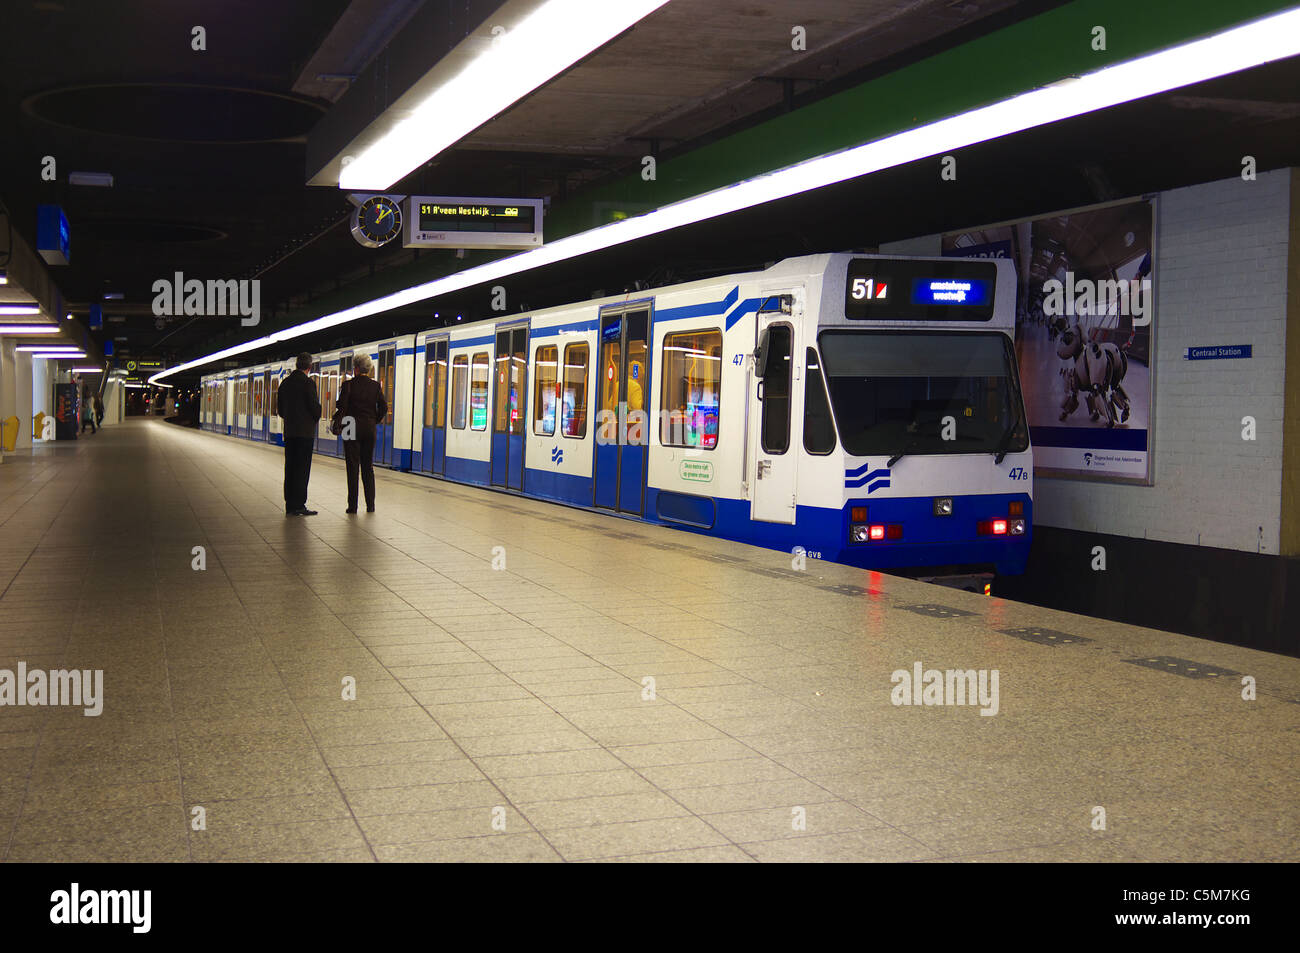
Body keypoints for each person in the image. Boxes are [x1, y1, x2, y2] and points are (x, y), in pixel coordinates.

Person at [337, 352, 388, 514]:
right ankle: (370, 505)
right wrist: (375, 419)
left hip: (350, 426)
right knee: (368, 467)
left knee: (352, 467)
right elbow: (384, 407)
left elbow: (341, 406)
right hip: (368, 427)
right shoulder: (375, 386)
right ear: (369, 369)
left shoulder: (348, 385)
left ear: (356, 368)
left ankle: (352, 506)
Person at [277, 352, 321, 516]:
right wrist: (316, 414)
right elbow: (314, 408)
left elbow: (280, 410)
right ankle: (299, 505)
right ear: (309, 367)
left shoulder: (285, 383)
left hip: (290, 432)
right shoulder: (308, 384)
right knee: (302, 469)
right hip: (305, 433)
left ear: (296, 365)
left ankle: (290, 504)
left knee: (290, 468)